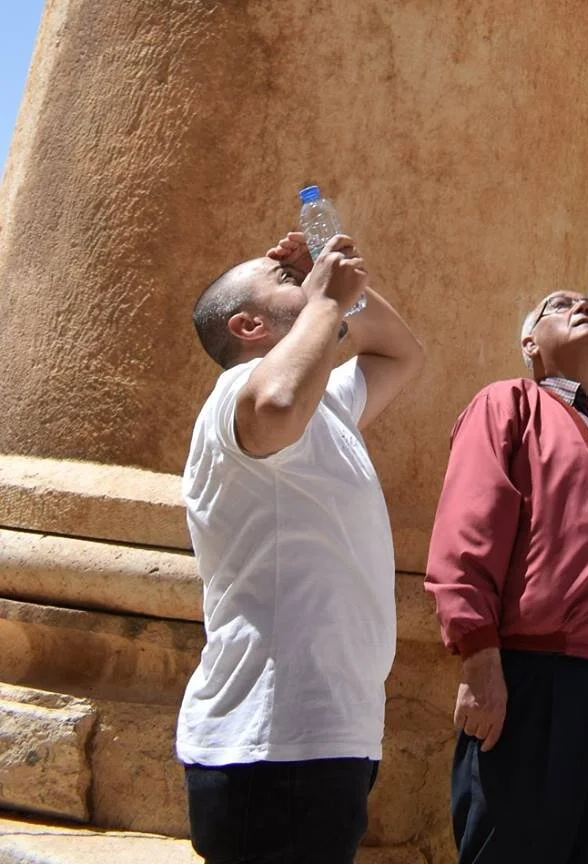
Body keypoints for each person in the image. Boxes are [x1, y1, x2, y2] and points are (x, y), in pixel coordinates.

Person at [177, 226, 425, 864]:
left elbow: (399, 355)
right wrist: (325, 302)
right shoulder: (239, 390)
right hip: (269, 739)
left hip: (325, 736)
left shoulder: (329, 407)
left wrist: (343, 291)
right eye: (285, 283)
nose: (306, 283)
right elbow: (278, 401)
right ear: (248, 326)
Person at [425, 288, 588, 864]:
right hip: (533, 685)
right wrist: (478, 659)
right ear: (529, 344)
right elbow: (467, 534)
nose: (584, 308)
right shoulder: (508, 406)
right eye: (559, 305)